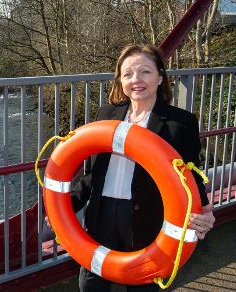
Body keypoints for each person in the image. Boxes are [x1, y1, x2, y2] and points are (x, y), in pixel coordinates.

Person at [70, 44, 216, 292]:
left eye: (145, 72)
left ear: (160, 77)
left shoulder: (179, 123)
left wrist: (203, 211)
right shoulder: (106, 114)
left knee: (143, 287)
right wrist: (64, 204)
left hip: (146, 218)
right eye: (127, 74)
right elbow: (92, 174)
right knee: (90, 284)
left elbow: (189, 175)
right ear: (120, 80)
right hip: (102, 214)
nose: (135, 80)